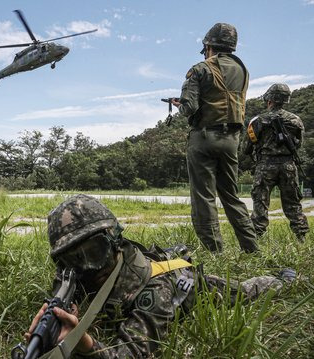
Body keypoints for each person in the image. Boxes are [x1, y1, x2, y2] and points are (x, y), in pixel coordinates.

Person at [25, 194, 294, 358]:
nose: (87, 266)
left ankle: (283, 279)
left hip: (186, 285)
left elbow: (132, 353)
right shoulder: (76, 274)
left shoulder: (156, 292)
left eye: (94, 251)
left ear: (114, 240)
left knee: (243, 292)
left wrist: (83, 344)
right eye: (72, 258)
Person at [172, 23, 257, 253]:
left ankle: (215, 252)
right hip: (232, 140)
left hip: (204, 137)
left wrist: (179, 105)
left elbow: (189, 108)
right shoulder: (243, 70)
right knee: (231, 196)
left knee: (204, 198)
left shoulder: (199, 69)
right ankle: (251, 248)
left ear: (208, 46)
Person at [243, 83, 309, 242]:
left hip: (265, 166)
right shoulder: (296, 121)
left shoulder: (258, 121)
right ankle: (302, 239)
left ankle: (256, 242)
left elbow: (246, 147)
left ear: (269, 99)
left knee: (260, 204)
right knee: (293, 204)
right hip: (288, 166)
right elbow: (299, 144)